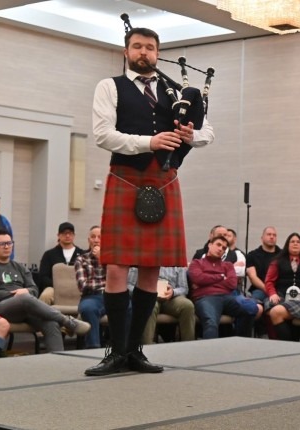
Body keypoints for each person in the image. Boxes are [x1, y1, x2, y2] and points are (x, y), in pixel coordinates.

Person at [87, 26, 214, 376]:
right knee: (116, 267)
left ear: (158, 53)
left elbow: (207, 132)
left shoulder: (177, 90)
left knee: (151, 268)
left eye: (150, 48)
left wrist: (191, 134)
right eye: (137, 46)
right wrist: (149, 142)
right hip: (125, 178)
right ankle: (116, 351)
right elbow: (103, 135)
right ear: (126, 51)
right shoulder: (109, 86)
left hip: (164, 180)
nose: (144, 52)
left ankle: (134, 351)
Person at [0, 229, 90, 352]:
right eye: (2, 244)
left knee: (51, 323)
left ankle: (58, 360)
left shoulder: (19, 267)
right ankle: (66, 321)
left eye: (9, 243)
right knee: (24, 297)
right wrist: (16, 296)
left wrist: (24, 294)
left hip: (25, 309)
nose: (7, 247)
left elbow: (34, 289)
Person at [188, 235, 256, 339]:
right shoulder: (197, 263)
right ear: (210, 245)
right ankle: (211, 349)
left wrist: (207, 281)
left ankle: (238, 343)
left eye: (224, 248)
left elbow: (232, 284)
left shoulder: (228, 265)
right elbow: (198, 279)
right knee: (211, 323)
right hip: (205, 298)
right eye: (218, 245)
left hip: (226, 297)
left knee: (249, 311)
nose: (220, 249)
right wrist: (221, 277)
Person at [127, 266, 196, 344]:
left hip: (171, 297)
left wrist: (173, 292)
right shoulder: (142, 261)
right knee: (148, 306)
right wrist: (143, 292)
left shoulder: (177, 263)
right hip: (148, 295)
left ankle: (189, 345)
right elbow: (129, 285)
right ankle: (146, 346)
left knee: (188, 306)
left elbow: (184, 288)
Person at [265, 233, 300, 341]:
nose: (295, 244)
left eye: (298, 242)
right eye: (292, 241)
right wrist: (272, 294)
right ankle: (290, 341)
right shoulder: (277, 261)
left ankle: (290, 341)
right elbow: (269, 281)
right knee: (271, 307)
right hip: (281, 296)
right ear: (287, 245)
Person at [75, 226, 109, 349]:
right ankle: (93, 348)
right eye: (93, 237)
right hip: (92, 296)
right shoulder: (81, 259)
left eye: (99, 237)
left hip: (112, 295)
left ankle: (126, 349)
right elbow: (82, 285)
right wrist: (104, 284)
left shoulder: (112, 258)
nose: (96, 240)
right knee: (87, 309)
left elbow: (118, 279)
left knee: (129, 307)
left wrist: (102, 258)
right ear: (89, 240)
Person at [38, 222, 86, 305]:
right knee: (46, 295)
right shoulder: (49, 254)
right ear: (58, 235)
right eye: (64, 233)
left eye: (70, 233)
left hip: (77, 288)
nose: (67, 236)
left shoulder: (82, 254)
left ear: (74, 235)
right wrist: (58, 285)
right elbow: (43, 276)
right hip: (54, 287)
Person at [246, 226, 280, 303]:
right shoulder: (252, 255)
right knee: (253, 305)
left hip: (279, 290)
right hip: (259, 290)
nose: (272, 237)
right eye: (269, 234)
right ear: (262, 238)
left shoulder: (282, 255)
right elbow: (253, 277)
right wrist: (269, 291)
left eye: (274, 235)